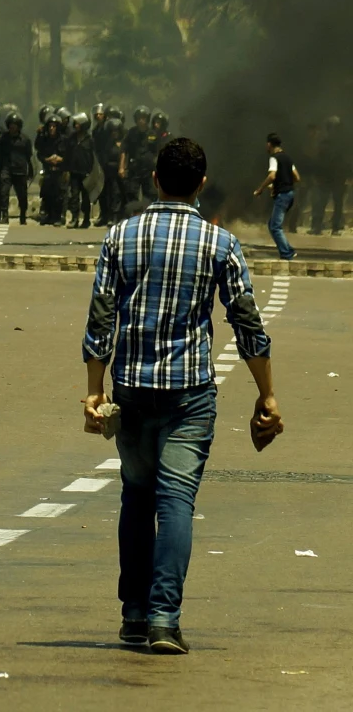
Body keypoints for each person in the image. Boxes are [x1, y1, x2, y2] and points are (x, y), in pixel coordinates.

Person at [82, 137, 280, 655]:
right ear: (202, 184)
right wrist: (267, 395)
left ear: (154, 180)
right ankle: (164, 621)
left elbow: (101, 318)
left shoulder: (119, 236)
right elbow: (247, 323)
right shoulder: (220, 244)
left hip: (130, 390)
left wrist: (92, 391)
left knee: (136, 495)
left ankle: (133, 615)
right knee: (175, 502)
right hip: (189, 394)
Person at [254, 132, 301, 260]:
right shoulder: (287, 158)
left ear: (269, 144)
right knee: (273, 224)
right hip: (290, 193)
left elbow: (272, 176)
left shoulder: (274, 158)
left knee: (275, 226)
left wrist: (260, 189)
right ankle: (288, 250)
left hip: (283, 195)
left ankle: (287, 253)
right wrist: (281, 184)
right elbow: (296, 177)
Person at [310, 117, 347, 235]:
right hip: (330, 177)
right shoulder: (330, 142)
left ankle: (328, 227)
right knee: (324, 202)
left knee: (328, 202)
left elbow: (346, 161)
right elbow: (319, 160)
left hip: (333, 177)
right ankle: (324, 227)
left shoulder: (337, 143)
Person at [0, 113, 33, 224]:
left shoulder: (25, 140)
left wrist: (30, 170)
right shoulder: (4, 139)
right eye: (11, 125)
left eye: (15, 125)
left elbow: (29, 157)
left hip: (21, 171)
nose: (13, 127)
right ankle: (5, 215)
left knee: (22, 195)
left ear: (19, 126)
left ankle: (23, 215)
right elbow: (0, 155)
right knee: (4, 192)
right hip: (7, 169)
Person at [120, 107, 157, 213]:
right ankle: (135, 215)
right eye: (139, 118)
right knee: (131, 192)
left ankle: (148, 215)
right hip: (134, 169)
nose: (141, 120)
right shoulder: (131, 133)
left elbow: (158, 152)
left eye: (144, 118)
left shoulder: (153, 134)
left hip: (148, 170)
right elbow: (123, 149)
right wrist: (121, 167)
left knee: (150, 194)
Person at [36, 114, 67, 226]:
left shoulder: (64, 140)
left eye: (54, 126)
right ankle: (47, 215)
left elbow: (69, 155)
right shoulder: (44, 139)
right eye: (50, 126)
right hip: (48, 170)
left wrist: (61, 159)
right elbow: (39, 152)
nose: (51, 128)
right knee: (46, 193)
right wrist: (47, 159)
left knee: (60, 195)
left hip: (60, 171)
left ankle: (59, 216)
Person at [66, 113, 95, 229]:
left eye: (78, 123)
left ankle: (86, 219)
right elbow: (67, 155)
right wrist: (66, 170)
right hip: (74, 172)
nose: (76, 125)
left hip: (86, 173)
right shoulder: (71, 138)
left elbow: (93, 157)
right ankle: (74, 218)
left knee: (86, 198)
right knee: (74, 196)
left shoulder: (90, 140)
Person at [96, 117, 125, 227]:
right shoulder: (107, 144)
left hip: (121, 173)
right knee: (109, 194)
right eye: (112, 131)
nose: (114, 134)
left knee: (118, 194)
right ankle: (108, 216)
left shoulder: (124, 143)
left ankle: (117, 216)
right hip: (108, 173)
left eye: (116, 131)